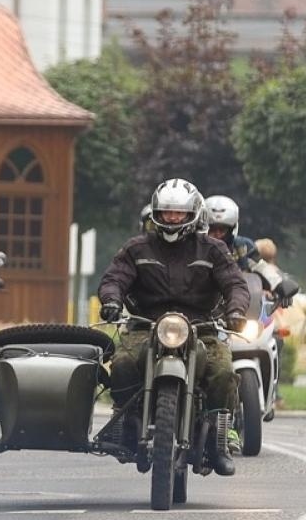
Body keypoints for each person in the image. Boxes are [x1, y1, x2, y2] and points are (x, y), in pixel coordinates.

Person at [96, 178, 249, 476]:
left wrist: (236, 310)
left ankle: (217, 443)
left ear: (193, 215)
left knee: (223, 372)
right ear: (156, 213)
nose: (172, 219)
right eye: (167, 213)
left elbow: (235, 284)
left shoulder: (213, 250)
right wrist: (111, 300)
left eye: (178, 214)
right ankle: (127, 421)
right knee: (124, 362)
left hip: (200, 327)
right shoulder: (136, 248)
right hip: (146, 325)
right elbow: (114, 278)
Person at [203, 195, 260, 271]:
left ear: (231, 229)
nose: (217, 234)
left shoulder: (244, 246)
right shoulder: (195, 249)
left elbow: (270, 276)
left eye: (222, 230)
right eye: (212, 229)